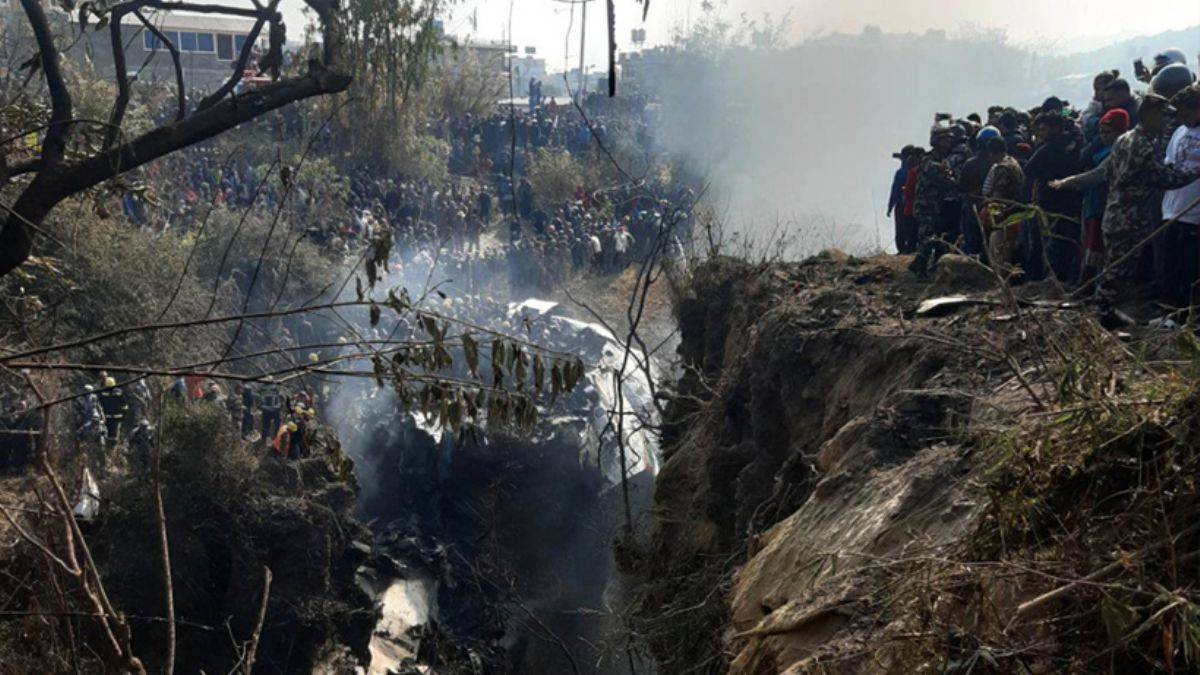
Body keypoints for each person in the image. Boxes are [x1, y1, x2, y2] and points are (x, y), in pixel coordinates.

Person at [1054, 94, 1200, 303]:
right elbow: (1166, 179)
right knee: (1118, 275)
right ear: (1150, 115)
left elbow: (1104, 172)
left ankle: (1105, 309)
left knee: (1114, 270)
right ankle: (1103, 313)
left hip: (1115, 213)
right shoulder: (1142, 145)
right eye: (1164, 116)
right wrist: (1195, 171)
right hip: (1130, 219)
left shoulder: (1126, 138)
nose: (1168, 122)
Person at [1023, 112, 1084, 282]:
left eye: (1044, 129)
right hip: (1072, 201)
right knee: (1067, 244)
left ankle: (1047, 281)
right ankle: (1063, 280)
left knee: (1049, 245)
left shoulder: (1047, 149)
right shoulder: (1075, 143)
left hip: (1050, 204)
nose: (1041, 133)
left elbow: (1028, 170)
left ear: (1056, 128)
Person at [1160, 85, 1200, 308]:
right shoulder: (1179, 132)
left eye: (1186, 114)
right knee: (1170, 265)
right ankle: (1169, 311)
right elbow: (1169, 163)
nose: (1183, 119)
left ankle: (1186, 314)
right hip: (1172, 209)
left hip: (1194, 213)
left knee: (1189, 270)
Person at [910, 125, 959, 276]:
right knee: (927, 238)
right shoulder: (929, 161)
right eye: (945, 141)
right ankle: (920, 269)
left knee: (935, 237)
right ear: (936, 142)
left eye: (949, 141)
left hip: (936, 205)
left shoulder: (941, 160)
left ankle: (919, 266)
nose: (947, 144)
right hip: (926, 206)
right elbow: (947, 180)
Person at [981, 136, 1026, 271]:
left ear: (991, 152)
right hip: (1016, 214)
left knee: (998, 252)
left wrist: (992, 216)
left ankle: (999, 278)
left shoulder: (1002, 168)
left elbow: (998, 198)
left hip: (1005, 217)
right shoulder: (1013, 162)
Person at [957, 130, 1000, 256]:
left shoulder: (970, 163)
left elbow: (961, 187)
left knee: (972, 245)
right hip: (994, 209)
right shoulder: (999, 163)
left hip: (972, 208)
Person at [97, 377, 128, 443]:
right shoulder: (119, 392)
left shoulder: (102, 393)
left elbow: (100, 404)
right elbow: (124, 405)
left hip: (107, 416)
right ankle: (114, 444)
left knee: (108, 431)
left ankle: (107, 443)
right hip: (117, 416)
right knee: (115, 432)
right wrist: (124, 414)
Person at [259, 378, 284, 442]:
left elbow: (281, 398)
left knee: (274, 425)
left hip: (274, 409)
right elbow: (259, 400)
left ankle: (275, 439)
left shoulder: (277, 387)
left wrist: (280, 405)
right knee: (266, 426)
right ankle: (267, 439)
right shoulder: (262, 388)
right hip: (268, 409)